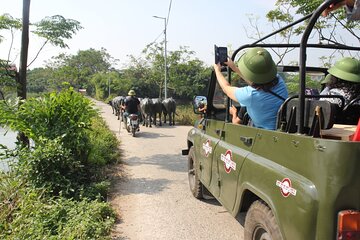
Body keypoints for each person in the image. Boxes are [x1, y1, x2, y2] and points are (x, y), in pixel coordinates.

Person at [213, 47, 288, 130]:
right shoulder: (279, 81)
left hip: (263, 133)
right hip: (280, 129)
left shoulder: (250, 95)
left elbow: (226, 88)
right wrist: (234, 67)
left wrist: (217, 71)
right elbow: (258, 81)